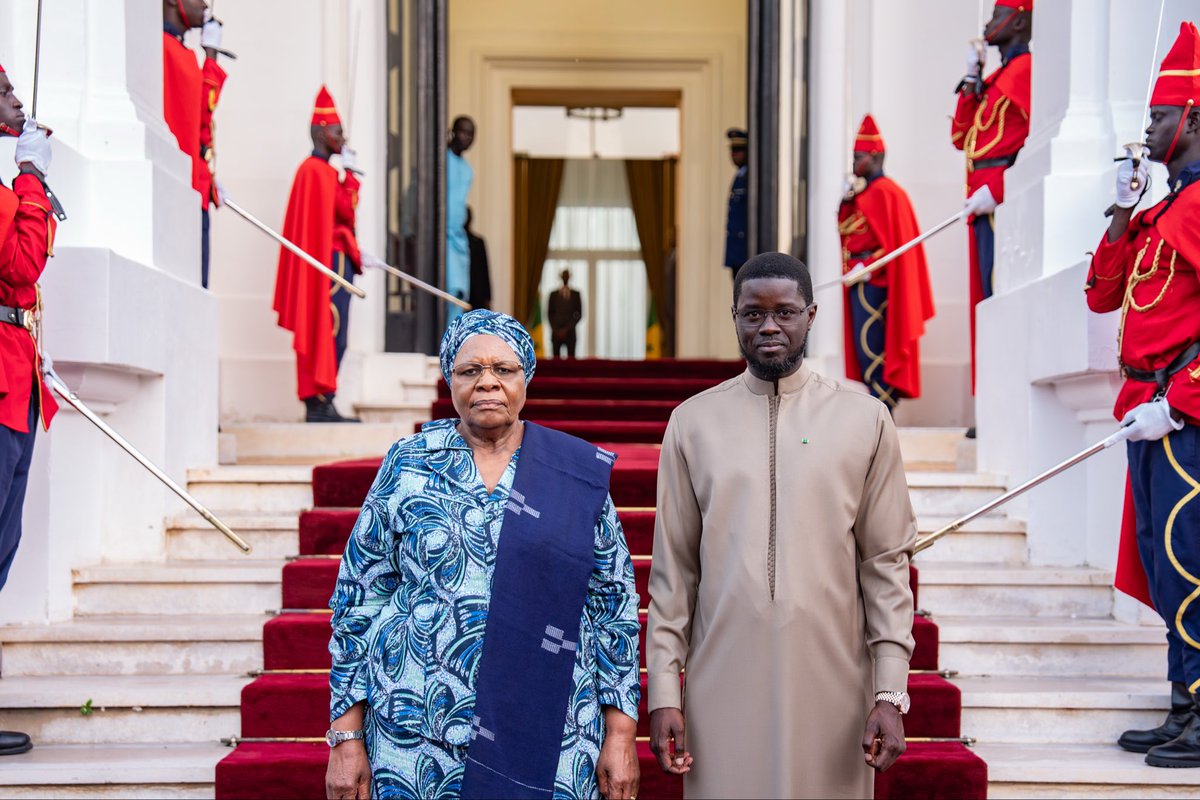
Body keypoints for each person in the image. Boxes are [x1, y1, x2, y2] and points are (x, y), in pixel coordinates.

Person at [325, 310, 640, 800]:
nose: (487, 383)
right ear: (449, 378)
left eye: (504, 370)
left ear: (526, 377)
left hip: (553, 730)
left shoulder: (572, 472)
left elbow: (613, 606)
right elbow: (358, 599)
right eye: (470, 371)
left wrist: (619, 735)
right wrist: (346, 738)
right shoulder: (408, 462)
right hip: (415, 733)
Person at [647, 252, 916, 798]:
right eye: (753, 314)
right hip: (721, 684)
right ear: (735, 317)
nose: (769, 326)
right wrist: (662, 693)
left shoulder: (865, 420)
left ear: (811, 316)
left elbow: (885, 564)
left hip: (835, 685)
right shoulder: (692, 422)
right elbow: (674, 572)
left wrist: (890, 693)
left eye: (786, 313)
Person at [1085, 21, 1200, 769]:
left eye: (1159, 116)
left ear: (1191, 119)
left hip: (1184, 414)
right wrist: (1125, 214)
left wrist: (1184, 398)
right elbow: (1103, 296)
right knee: (1164, 559)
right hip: (1147, 412)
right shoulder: (1163, 213)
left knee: (1192, 557)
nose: (1148, 128)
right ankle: (1183, 702)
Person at [0, 65, 60, 757]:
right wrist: (32, 179)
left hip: (15, 374)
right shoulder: (10, 183)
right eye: (10, 96)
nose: (21, 106)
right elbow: (21, 267)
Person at [951, 0, 1031, 406]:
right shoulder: (999, 77)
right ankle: (986, 402)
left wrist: (998, 190)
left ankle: (997, 401)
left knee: (993, 296)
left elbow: (1029, 143)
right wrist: (971, 78)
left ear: (1018, 19)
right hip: (980, 201)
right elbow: (960, 136)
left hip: (997, 202)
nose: (988, 22)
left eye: (997, 15)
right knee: (981, 301)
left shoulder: (1026, 70)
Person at [272, 87, 362, 424]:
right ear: (324, 132)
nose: (342, 138)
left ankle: (324, 398)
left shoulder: (321, 172)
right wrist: (351, 179)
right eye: (338, 131)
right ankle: (320, 401)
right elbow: (345, 212)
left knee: (335, 333)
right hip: (328, 268)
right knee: (329, 330)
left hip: (334, 264)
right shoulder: (317, 173)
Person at [838, 115, 935, 413]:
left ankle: (883, 415)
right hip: (859, 280)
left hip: (877, 286)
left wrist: (866, 265)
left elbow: (895, 249)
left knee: (875, 352)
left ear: (876, 156)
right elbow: (850, 234)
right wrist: (846, 202)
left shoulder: (888, 194)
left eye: (859, 156)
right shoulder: (865, 194)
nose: (855, 162)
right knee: (865, 352)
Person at [162, 0, 228, 289]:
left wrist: (209, 177)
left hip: (198, 187)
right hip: (183, 189)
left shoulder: (182, 52)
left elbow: (200, 121)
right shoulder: (165, 49)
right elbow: (199, 113)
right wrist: (210, 56)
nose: (205, 5)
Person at [446, 116, 475, 324]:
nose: (467, 137)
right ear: (453, 131)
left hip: (458, 238)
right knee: (451, 291)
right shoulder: (441, 159)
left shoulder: (467, 170)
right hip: (442, 236)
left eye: (471, 134)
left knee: (460, 294)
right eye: (464, 132)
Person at [723, 127, 748, 273]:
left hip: (745, 252)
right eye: (732, 150)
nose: (733, 154)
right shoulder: (739, 176)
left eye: (738, 150)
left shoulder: (749, 177)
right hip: (736, 252)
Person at [547, 269, 582, 359]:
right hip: (556, 334)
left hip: (570, 334)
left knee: (571, 364)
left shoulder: (576, 294)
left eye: (567, 276)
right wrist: (557, 330)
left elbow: (579, 314)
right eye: (564, 276)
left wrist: (566, 329)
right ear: (561, 277)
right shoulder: (553, 294)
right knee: (555, 364)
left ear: (570, 277)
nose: (565, 278)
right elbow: (549, 314)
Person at [465, 206, 491, 310]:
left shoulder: (478, 242)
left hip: (477, 297)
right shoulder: (452, 243)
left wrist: (488, 298)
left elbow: (485, 270)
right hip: (461, 294)